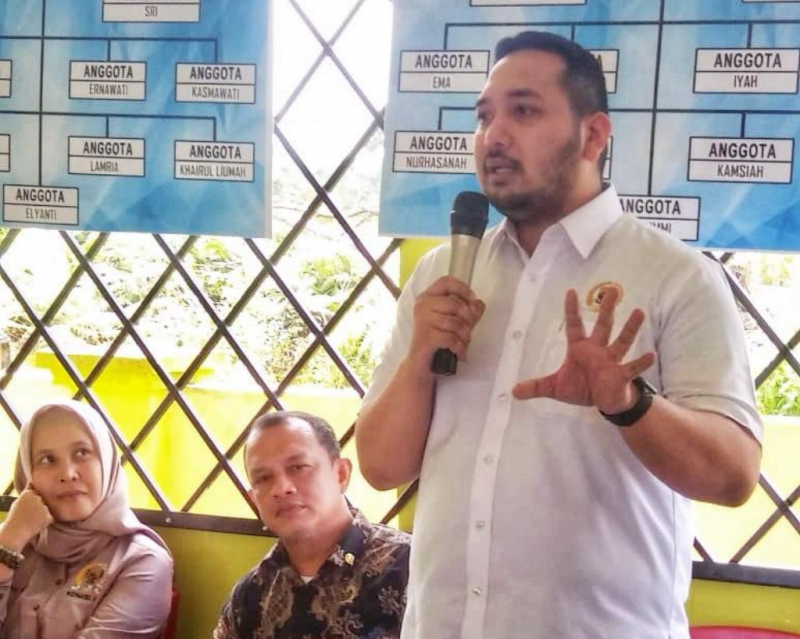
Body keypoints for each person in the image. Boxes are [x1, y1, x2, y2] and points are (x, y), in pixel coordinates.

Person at [356, 30, 763, 639]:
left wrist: (629, 404)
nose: (494, 136)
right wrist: (420, 358)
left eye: (523, 111)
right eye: (484, 116)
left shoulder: (675, 276)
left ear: (593, 135)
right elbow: (380, 466)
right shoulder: (444, 273)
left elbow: (733, 477)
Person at [213, 411, 410, 639]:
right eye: (264, 478)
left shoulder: (409, 566)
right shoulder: (250, 595)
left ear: (341, 474)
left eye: (297, 467)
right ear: (254, 500)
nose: (281, 488)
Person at [0, 400, 173, 639]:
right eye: (47, 459)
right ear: (28, 473)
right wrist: (9, 543)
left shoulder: (142, 561)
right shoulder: (12, 537)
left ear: (106, 462)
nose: (67, 474)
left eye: (82, 453)